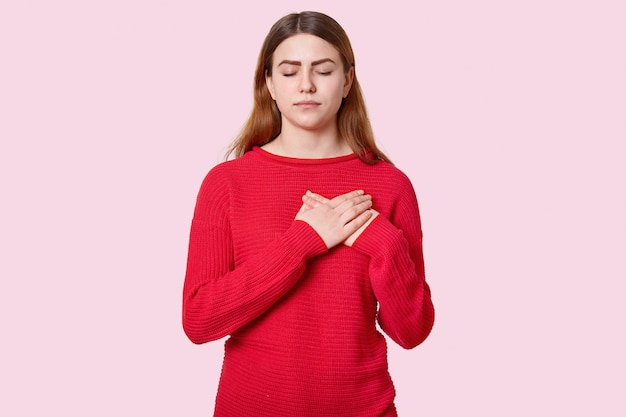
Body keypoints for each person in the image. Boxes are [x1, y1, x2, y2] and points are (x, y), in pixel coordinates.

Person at [182, 11, 435, 417]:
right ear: (268, 83)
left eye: (324, 70)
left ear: (347, 81)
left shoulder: (391, 185)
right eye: (289, 71)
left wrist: (385, 244)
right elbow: (199, 320)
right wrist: (304, 241)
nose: (306, 85)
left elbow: (412, 331)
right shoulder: (227, 183)